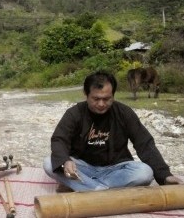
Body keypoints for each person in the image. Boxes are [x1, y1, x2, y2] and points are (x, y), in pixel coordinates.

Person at [43, 71, 183, 192]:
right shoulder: (74, 113)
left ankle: (85, 187)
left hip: (115, 169)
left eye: (107, 99)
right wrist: (65, 161)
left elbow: (144, 143)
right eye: (96, 99)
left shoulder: (124, 112)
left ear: (113, 95)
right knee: (50, 163)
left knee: (145, 173)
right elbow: (59, 139)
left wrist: (165, 175)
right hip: (82, 167)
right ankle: (98, 190)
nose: (101, 104)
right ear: (86, 94)